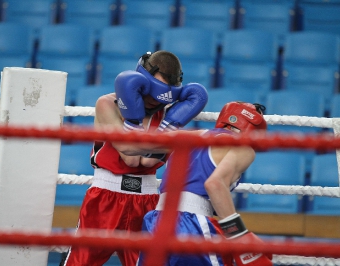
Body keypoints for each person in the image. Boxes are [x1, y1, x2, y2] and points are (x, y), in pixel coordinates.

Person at [61, 50, 208, 266]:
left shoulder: (167, 115)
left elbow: (148, 162)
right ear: (140, 81)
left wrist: (169, 127)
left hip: (147, 199)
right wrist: (189, 136)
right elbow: (128, 152)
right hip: (105, 197)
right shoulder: (107, 104)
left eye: (162, 95)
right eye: (151, 91)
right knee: (80, 263)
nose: (153, 100)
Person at [134, 101, 273, 266]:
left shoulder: (192, 135)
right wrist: (239, 236)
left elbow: (138, 145)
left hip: (156, 221)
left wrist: (166, 122)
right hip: (193, 225)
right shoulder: (243, 148)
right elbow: (214, 184)